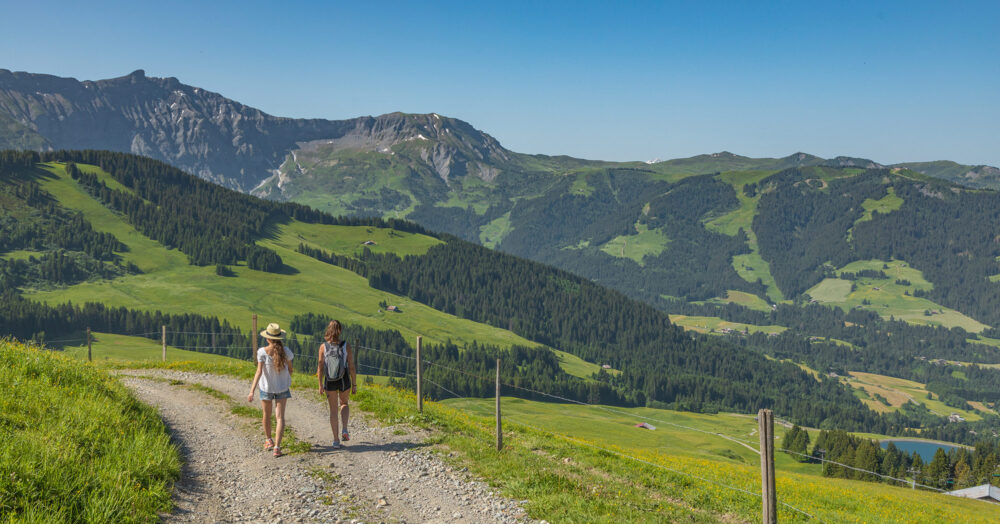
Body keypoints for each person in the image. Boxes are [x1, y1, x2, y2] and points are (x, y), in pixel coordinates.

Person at [247, 322, 294, 457]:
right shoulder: (287, 352)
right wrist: (285, 378)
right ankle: (277, 448)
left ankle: (269, 440)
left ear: (267, 338)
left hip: (266, 388)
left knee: (266, 415)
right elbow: (290, 369)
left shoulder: (262, 352)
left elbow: (259, 372)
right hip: (282, 388)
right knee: (280, 417)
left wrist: (251, 391)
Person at [317, 320, 356, 449]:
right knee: (344, 403)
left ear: (328, 330)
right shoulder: (346, 345)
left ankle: (335, 440)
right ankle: (344, 429)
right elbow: (351, 367)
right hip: (343, 378)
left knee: (333, 410)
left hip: (329, 380)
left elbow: (320, 366)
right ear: (339, 331)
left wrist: (320, 384)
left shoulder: (323, 347)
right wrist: (354, 384)